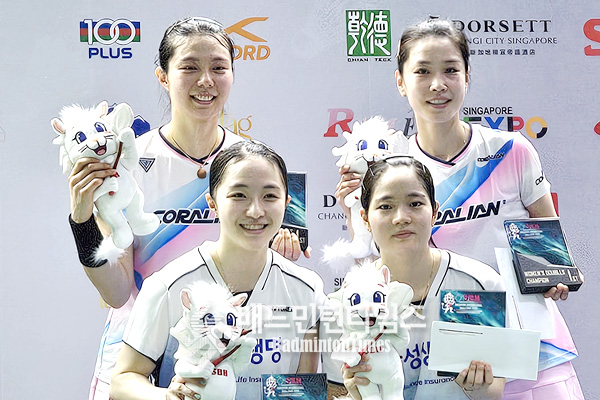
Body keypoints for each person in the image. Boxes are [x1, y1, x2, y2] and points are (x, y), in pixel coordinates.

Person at [335, 18, 582, 399]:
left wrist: (556, 273)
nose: (438, 84)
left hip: (532, 345)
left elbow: (548, 243)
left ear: (467, 77)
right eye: (422, 71)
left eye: (451, 70)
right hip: (451, 355)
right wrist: (353, 211)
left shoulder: (511, 150)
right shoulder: (393, 168)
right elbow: (376, 266)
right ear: (400, 81)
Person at [66, 17, 306, 400]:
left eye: (218, 67)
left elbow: (285, 280)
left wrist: (280, 255)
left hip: (228, 350)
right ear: (163, 76)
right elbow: (116, 292)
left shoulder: (257, 165)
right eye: (190, 67)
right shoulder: (127, 164)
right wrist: (82, 222)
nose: (205, 80)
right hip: (139, 359)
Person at [110, 140, 326, 400]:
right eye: (239, 195)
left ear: (286, 203)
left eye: (270, 196)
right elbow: (123, 379)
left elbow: (304, 386)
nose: (255, 211)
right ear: (212, 203)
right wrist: (167, 397)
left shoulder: (307, 290)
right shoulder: (169, 285)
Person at [338, 156, 505, 399]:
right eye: (385, 207)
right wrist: (356, 392)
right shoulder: (351, 296)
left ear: (435, 211)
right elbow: (339, 385)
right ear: (365, 219)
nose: (401, 217)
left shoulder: (481, 284)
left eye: (415, 204)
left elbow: (495, 391)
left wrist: (477, 386)